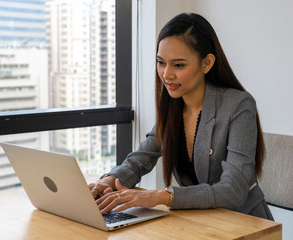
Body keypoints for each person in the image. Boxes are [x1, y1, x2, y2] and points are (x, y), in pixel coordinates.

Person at [89, 12, 273, 220]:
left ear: (207, 63)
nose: (167, 74)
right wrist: (109, 180)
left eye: (178, 65)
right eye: (161, 62)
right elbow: (139, 160)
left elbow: (233, 190)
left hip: (246, 224)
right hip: (199, 223)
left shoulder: (238, 105)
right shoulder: (173, 105)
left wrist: (161, 196)